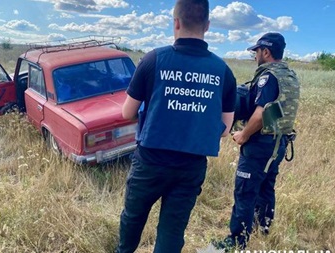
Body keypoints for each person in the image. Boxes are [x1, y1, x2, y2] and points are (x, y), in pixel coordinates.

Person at [115, 0, 237, 252]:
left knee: (133, 218)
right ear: (208, 25)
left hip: (150, 161)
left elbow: (127, 112)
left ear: (176, 23)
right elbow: (225, 128)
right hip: (190, 166)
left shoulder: (152, 60)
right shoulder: (223, 71)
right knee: (172, 231)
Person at [213, 32, 300, 251]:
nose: (255, 56)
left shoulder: (268, 77)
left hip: (261, 144)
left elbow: (261, 113)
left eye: (257, 51)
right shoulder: (289, 75)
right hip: (279, 143)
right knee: (266, 187)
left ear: (266, 52)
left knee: (245, 189)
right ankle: (264, 228)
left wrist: (244, 134)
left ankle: (237, 239)